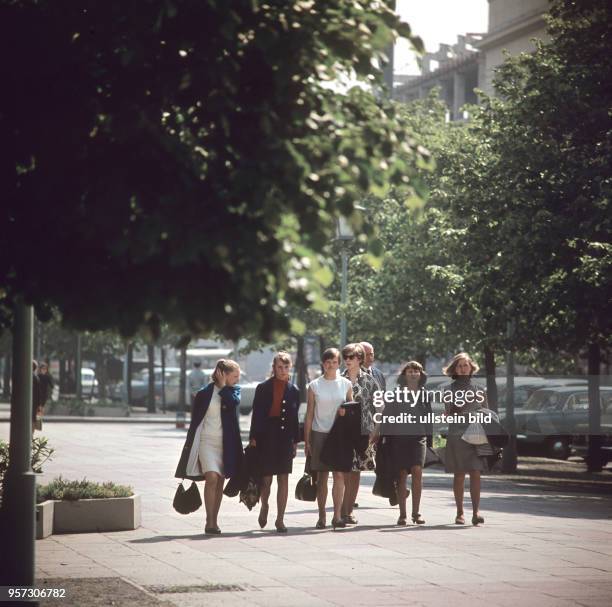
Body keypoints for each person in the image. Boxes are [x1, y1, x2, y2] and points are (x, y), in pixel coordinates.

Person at [175, 359, 243, 534]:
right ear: (223, 374)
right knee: (212, 477)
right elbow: (195, 421)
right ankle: (209, 519)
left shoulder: (234, 391)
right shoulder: (204, 393)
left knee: (220, 480)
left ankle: (214, 520)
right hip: (206, 442)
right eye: (235, 376)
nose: (237, 379)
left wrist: (223, 387)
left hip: (225, 444)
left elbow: (233, 404)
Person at [249, 351, 299, 533]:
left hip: (285, 438)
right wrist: (254, 438)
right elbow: (257, 415)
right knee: (267, 479)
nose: (283, 370)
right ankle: (264, 505)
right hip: (267, 436)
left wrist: (295, 442)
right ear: (274, 368)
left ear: (290, 368)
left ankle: (280, 519)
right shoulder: (263, 388)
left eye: (286, 367)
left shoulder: (294, 390)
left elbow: (294, 419)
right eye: (279, 367)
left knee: (284, 478)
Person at [304, 348, 353, 530]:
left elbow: (352, 408)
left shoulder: (346, 384)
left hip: (339, 435)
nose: (331, 365)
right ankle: (322, 515)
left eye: (334, 361)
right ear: (323, 364)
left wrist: (345, 411)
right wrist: (307, 440)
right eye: (327, 362)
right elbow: (309, 414)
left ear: (339, 363)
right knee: (322, 477)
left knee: (339, 475)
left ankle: (337, 516)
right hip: (319, 433)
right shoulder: (314, 385)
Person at [383, 361, 431, 525]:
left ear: (421, 374)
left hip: (419, 437)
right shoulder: (396, 394)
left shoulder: (425, 394)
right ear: (404, 375)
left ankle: (416, 513)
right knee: (402, 474)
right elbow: (388, 417)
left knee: (417, 471)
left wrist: (431, 441)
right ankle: (402, 514)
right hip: (399, 438)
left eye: (416, 371)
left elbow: (428, 418)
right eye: (410, 371)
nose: (413, 373)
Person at [443, 352, 488, 526]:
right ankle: (460, 512)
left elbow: (487, 412)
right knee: (460, 474)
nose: (462, 368)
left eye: (465, 365)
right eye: (459, 366)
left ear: (471, 367)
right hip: (457, 434)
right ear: (454, 369)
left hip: (476, 433)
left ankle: (476, 512)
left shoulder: (479, 389)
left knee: (476, 472)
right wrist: (456, 407)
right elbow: (449, 412)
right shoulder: (448, 389)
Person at [340, 343, 378, 524]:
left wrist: (375, 431)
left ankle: (348, 511)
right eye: (345, 357)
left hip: (364, 433)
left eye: (351, 357)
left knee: (355, 473)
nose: (347, 360)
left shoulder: (370, 381)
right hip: (344, 433)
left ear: (360, 359)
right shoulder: (339, 379)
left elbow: (380, 408)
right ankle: (341, 510)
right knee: (343, 472)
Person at [32, 360, 42, 432]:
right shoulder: (36, 378)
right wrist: (39, 405)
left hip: (28, 403)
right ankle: (31, 435)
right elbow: (38, 393)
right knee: (32, 419)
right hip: (34, 403)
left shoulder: (23, 377)